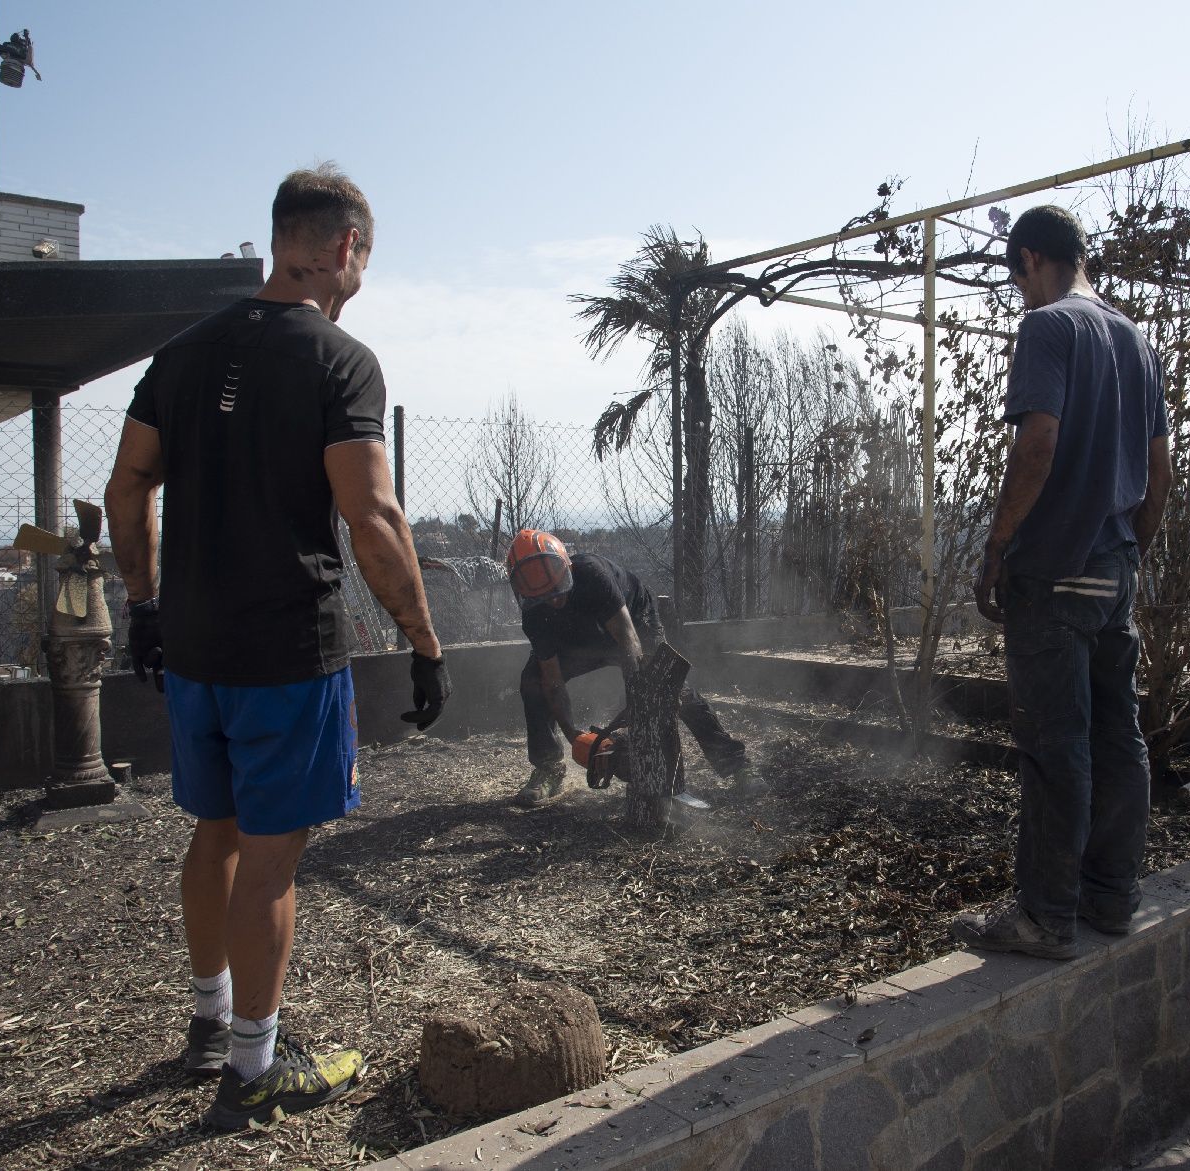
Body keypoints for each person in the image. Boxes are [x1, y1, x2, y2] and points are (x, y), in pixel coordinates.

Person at [104, 163, 450, 1130]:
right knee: (271, 859)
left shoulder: (180, 356)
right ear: (344, 248)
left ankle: (211, 1020)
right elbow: (372, 515)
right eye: (364, 261)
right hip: (287, 655)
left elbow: (126, 489)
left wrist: (141, 603)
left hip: (195, 650)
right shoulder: (340, 360)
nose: (359, 281)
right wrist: (423, 641)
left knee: (213, 832)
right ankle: (255, 1063)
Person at [952, 205, 1173, 961]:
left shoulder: (1049, 328)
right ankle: (1111, 898)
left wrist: (999, 546)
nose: (1021, 294)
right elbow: (1161, 474)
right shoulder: (1136, 339)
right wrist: (1128, 554)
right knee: (1120, 738)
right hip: (1114, 572)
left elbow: (1038, 442)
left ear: (1032, 260)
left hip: (1053, 574)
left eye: (1019, 279)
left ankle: (1046, 916)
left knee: (1055, 745)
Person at [505, 529, 756, 806]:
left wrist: (637, 713)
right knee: (533, 681)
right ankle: (549, 768)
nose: (554, 600)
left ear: (568, 566)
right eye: (546, 597)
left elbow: (629, 641)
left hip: (633, 622)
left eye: (559, 588)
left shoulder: (592, 575)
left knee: (667, 685)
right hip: (576, 638)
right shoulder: (535, 616)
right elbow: (552, 682)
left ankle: (736, 765)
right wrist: (575, 738)